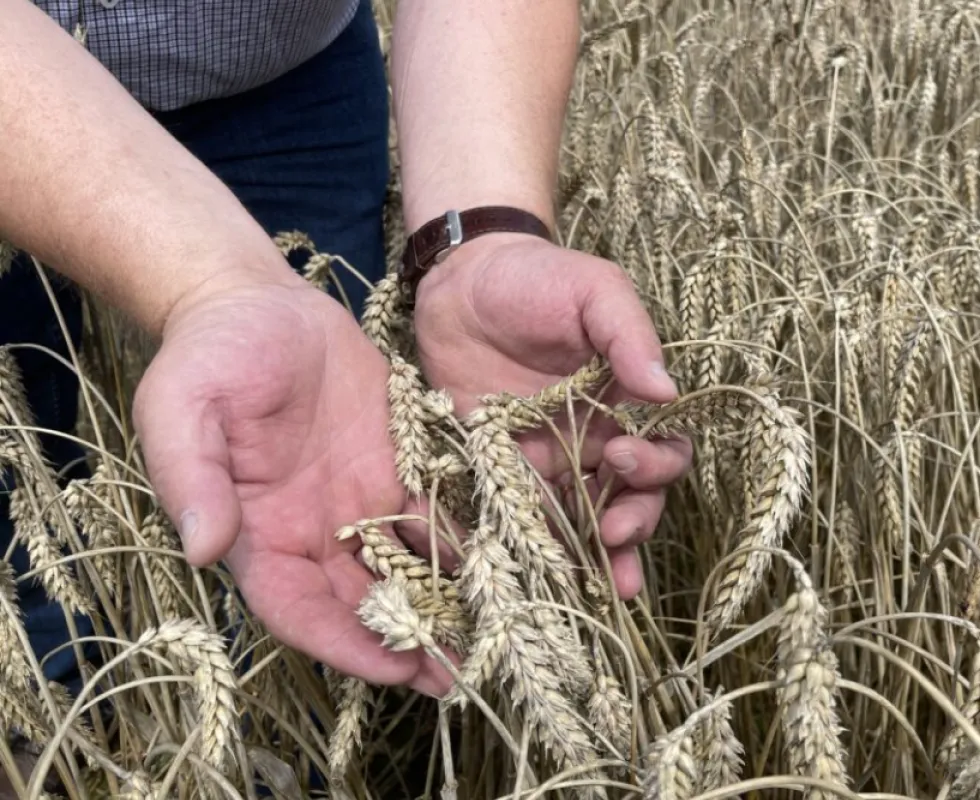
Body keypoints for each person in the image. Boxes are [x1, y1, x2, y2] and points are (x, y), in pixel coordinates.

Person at [1, 0, 690, 724]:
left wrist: (484, 234)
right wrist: (212, 284)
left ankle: (286, 726)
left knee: (317, 475)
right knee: (21, 442)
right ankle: (45, 694)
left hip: (287, 84)